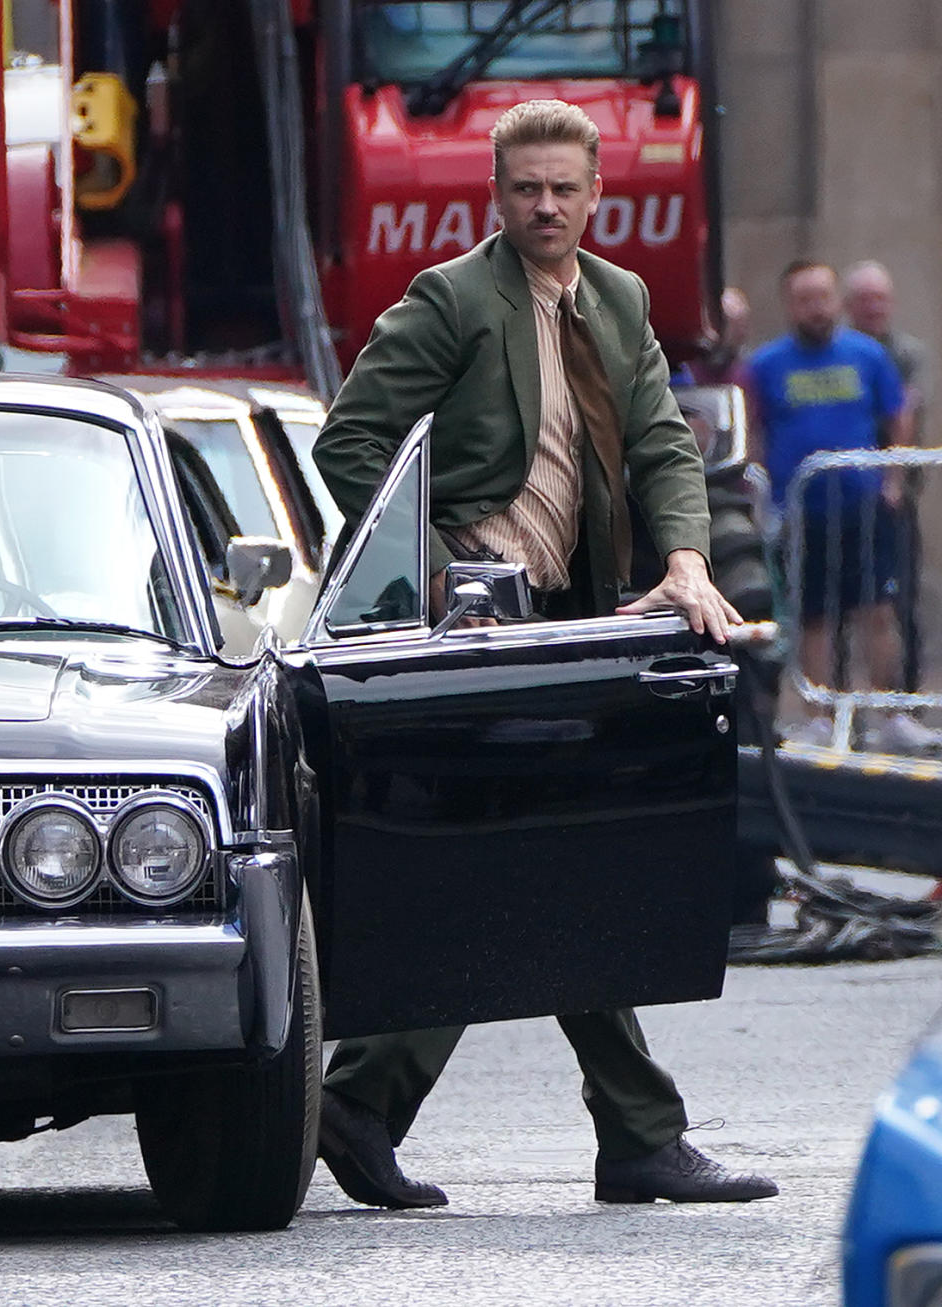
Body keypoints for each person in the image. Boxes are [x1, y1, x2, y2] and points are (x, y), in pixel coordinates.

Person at [312, 99, 776, 1211]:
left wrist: (687, 563)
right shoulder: (451, 299)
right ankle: (630, 1132)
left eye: (565, 187)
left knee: (549, 860)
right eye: (526, 187)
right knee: (541, 860)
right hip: (475, 628)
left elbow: (666, 443)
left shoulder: (619, 300)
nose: (546, 205)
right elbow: (350, 442)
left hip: (572, 616)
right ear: (496, 193)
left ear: (596, 192)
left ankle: (374, 1103)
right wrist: (433, 570)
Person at [748, 260, 935, 752]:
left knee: (879, 610)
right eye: (805, 299)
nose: (817, 308)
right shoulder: (766, 364)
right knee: (813, 619)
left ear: (836, 300)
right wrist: (760, 494)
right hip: (803, 513)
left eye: (824, 297)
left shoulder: (868, 355)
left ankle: (888, 712)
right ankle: (818, 716)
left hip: (865, 506)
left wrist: (894, 479)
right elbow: (754, 431)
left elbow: (898, 418)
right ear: (790, 305)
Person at [844, 260, 930, 694]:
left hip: (894, 498)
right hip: (842, 496)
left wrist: (894, 480)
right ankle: (839, 703)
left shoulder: (905, 354)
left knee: (901, 601)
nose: (874, 308)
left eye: (880, 299)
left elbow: (906, 412)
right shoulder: (836, 352)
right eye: (864, 300)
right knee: (839, 605)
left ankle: (904, 700)